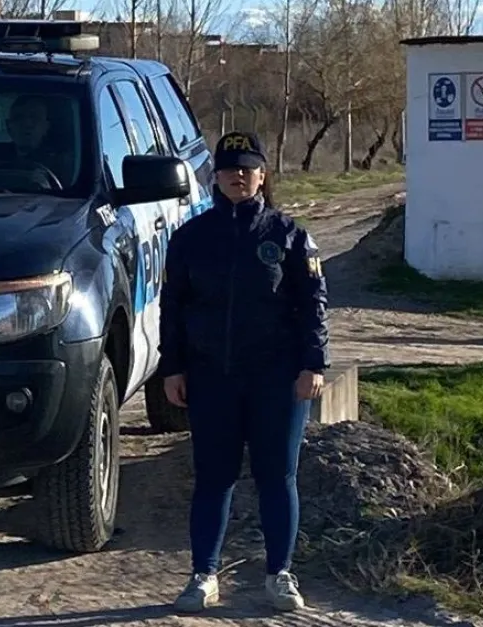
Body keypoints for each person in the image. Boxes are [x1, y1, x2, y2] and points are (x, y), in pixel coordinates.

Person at [157, 130, 330, 613]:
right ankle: (203, 576)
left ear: (262, 175)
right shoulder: (191, 238)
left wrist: (313, 363)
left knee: (277, 476)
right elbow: (173, 308)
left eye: (248, 168)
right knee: (214, 477)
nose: (238, 176)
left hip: (276, 379)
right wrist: (172, 369)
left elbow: (313, 305)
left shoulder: (289, 236)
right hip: (212, 377)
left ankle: (279, 575)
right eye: (229, 168)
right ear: (215, 176)